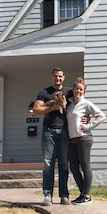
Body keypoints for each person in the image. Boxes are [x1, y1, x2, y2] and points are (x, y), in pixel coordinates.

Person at [33, 68, 73, 206]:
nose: (58, 79)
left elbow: (80, 105)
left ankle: (64, 195)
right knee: (48, 164)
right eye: (56, 76)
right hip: (48, 130)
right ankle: (48, 195)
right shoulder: (44, 92)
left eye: (60, 76)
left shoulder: (69, 92)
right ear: (52, 77)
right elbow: (36, 109)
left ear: (64, 77)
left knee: (63, 164)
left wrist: (86, 117)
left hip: (64, 131)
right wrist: (54, 108)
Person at [66, 77, 106, 204]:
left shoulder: (86, 103)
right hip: (72, 139)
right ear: (73, 90)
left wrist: (88, 126)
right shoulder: (70, 104)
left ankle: (86, 195)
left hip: (84, 138)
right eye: (76, 88)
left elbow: (101, 116)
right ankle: (83, 193)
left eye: (81, 89)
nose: (78, 91)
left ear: (84, 92)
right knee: (73, 166)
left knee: (85, 165)